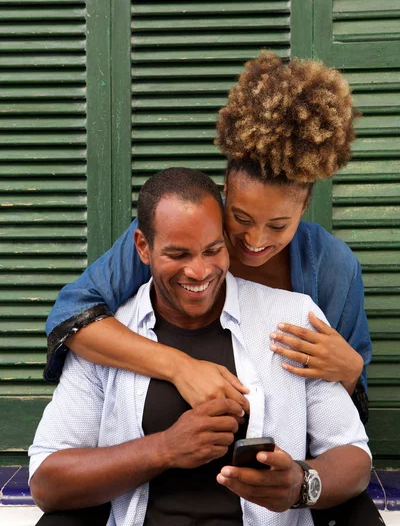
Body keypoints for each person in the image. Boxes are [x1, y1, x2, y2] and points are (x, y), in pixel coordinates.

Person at [30, 168, 372, 526]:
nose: (199, 271)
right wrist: (164, 448)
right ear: (143, 247)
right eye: (178, 254)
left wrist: (301, 483)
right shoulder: (106, 333)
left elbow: (352, 455)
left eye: (212, 250)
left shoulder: (295, 315)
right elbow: (47, 482)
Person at [44, 52, 371, 425]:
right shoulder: (177, 235)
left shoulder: (332, 267)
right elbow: (71, 318)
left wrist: (349, 370)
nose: (254, 240)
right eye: (240, 216)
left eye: (278, 226)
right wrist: (180, 367)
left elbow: (348, 420)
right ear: (225, 188)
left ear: (306, 206)